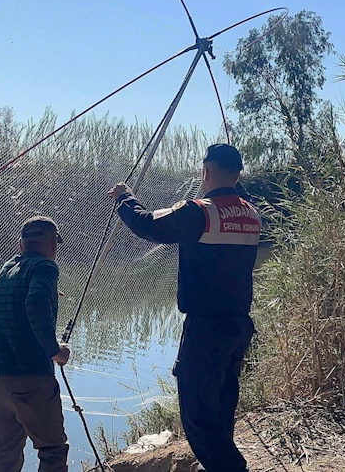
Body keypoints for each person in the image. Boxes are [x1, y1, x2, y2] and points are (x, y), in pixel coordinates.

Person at [108, 144, 260, 472]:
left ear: (206, 172)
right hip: (239, 326)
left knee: (197, 416)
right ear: (238, 173)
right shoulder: (251, 213)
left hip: (207, 328)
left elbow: (149, 225)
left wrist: (124, 199)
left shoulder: (201, 211)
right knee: (221, 404)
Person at [0, 216, 71, 472]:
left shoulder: (7, 267)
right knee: (52, 451)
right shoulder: (46, 267)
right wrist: (56, 351)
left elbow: (18, 299)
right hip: (31, 377)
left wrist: (46, 292)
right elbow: (34, 305)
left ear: (21, 246)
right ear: (54, 244)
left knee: (4, 451)